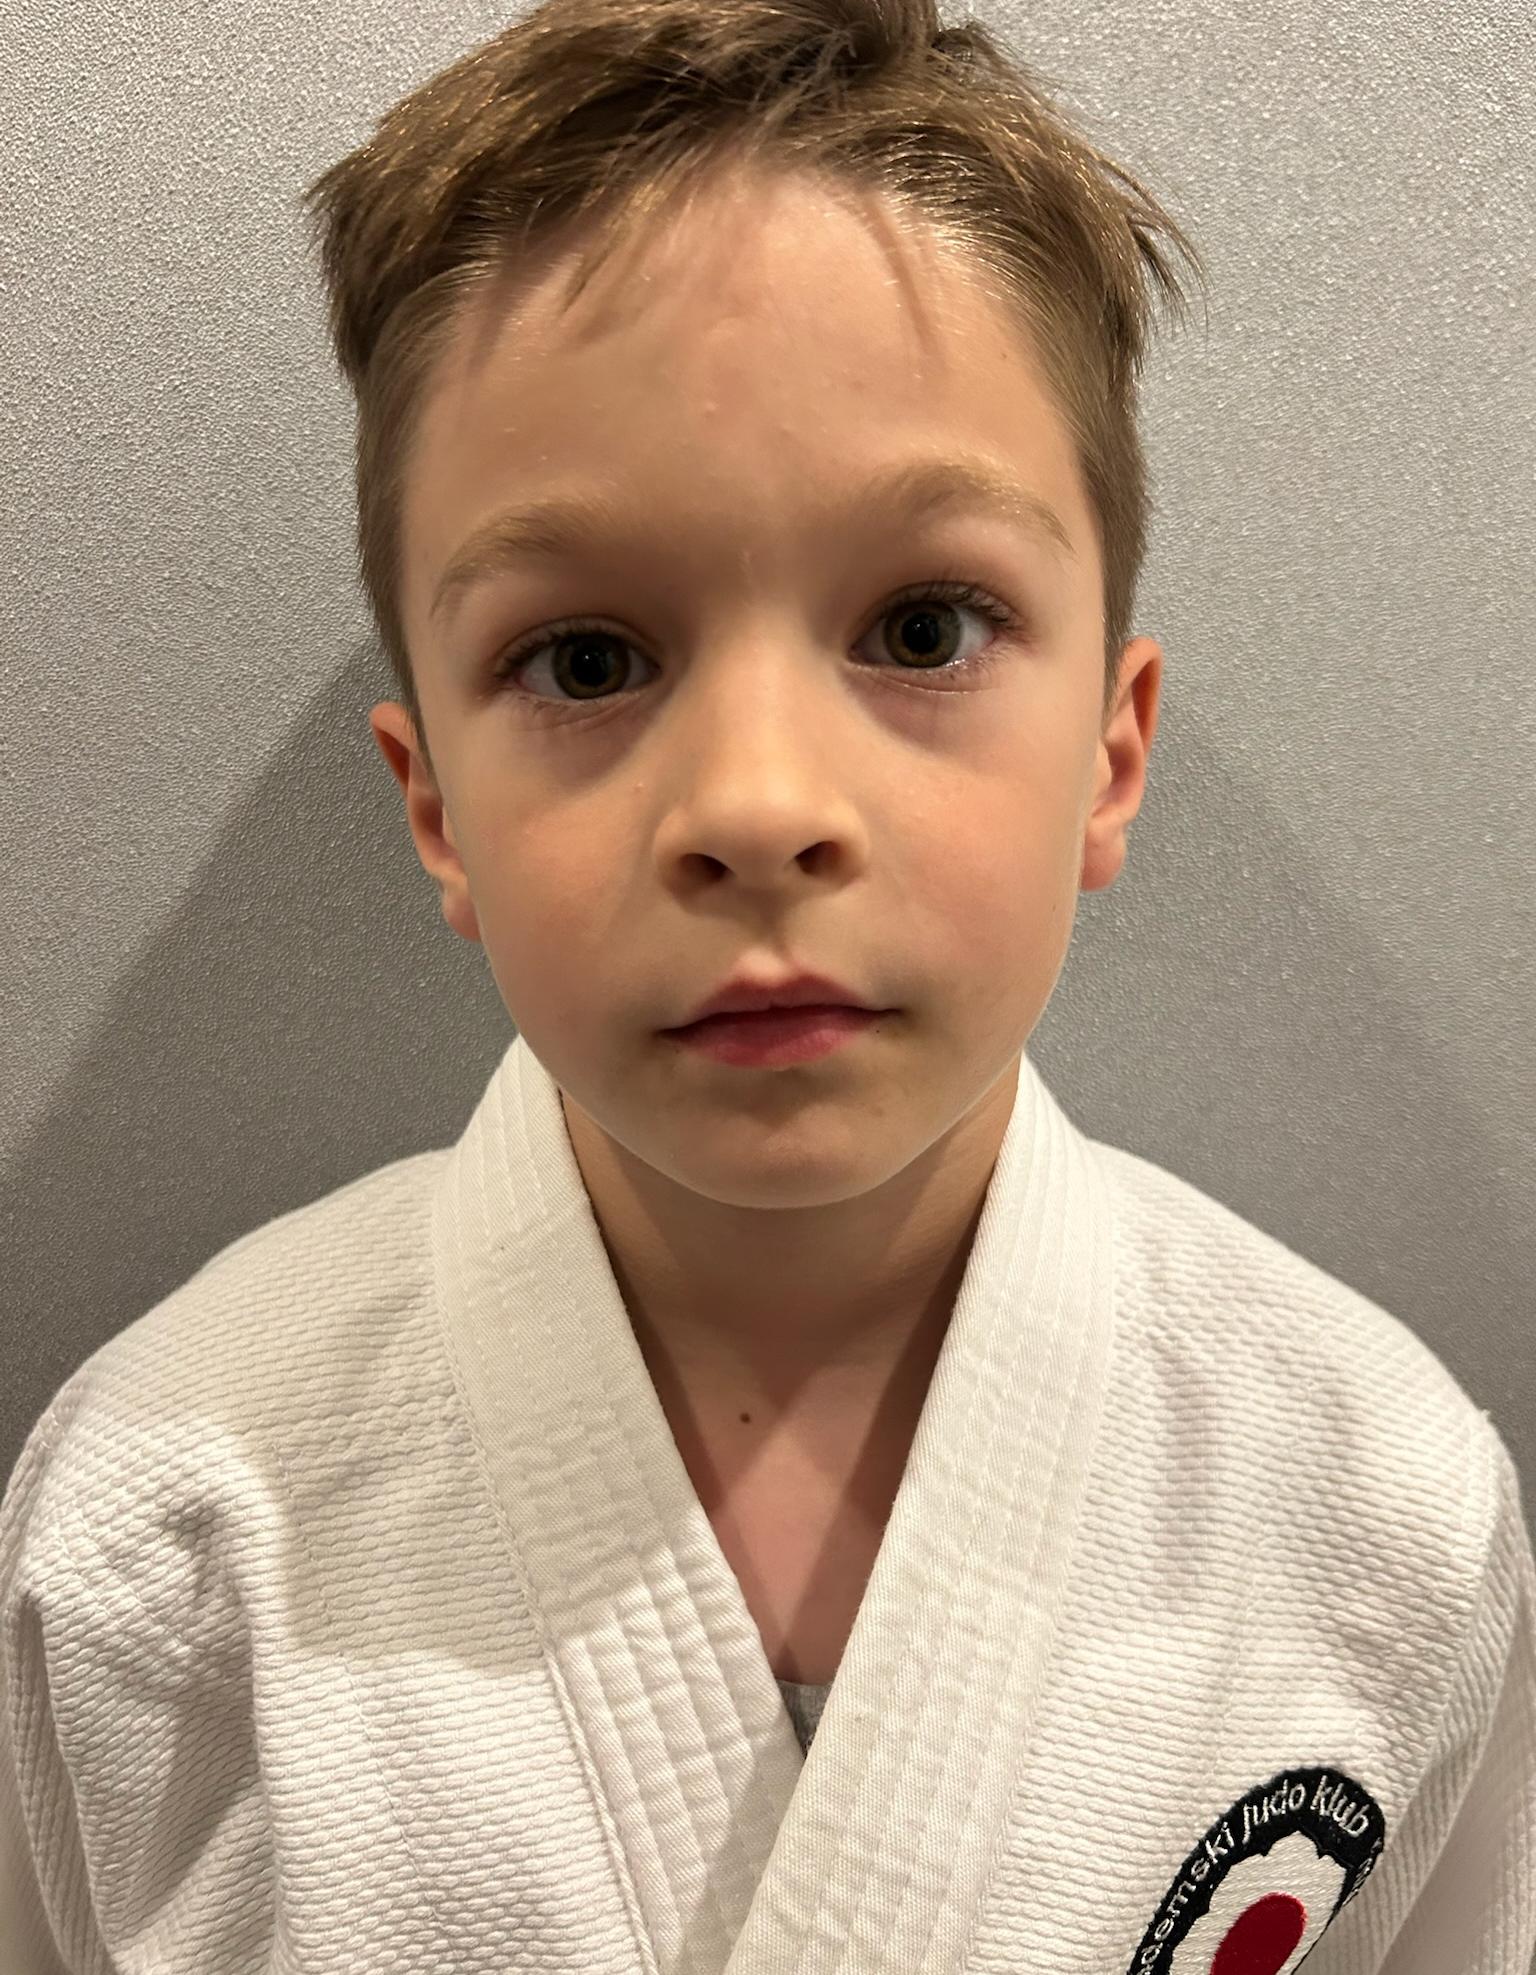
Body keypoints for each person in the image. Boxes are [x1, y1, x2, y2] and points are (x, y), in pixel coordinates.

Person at [4, 1, 1532, 1969]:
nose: (757, 806)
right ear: (435, 809)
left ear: (1111, 752)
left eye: (924, 626)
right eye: (584, 660)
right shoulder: (162, 1535)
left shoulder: (1377, 1513)